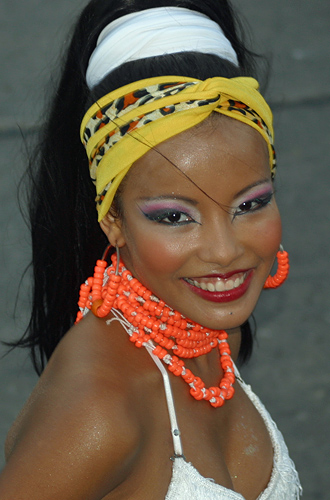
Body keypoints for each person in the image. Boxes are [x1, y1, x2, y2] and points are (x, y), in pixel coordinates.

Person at [0, 0, 302, 498]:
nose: (225, 251)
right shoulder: (99, 410)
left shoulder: (210, 334)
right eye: (174, 216)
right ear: (113, 221)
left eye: (250, 204)